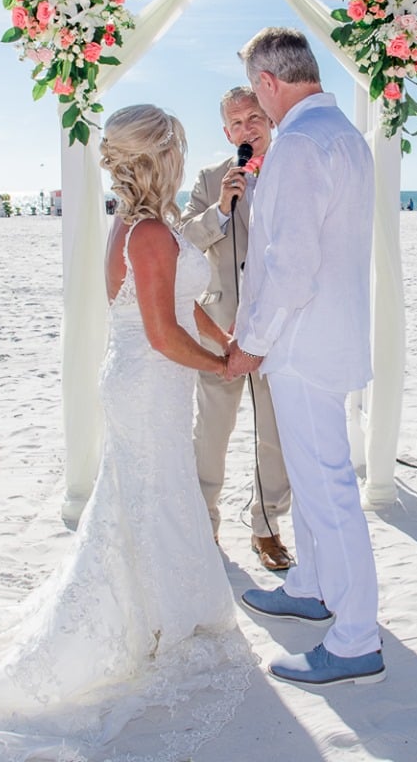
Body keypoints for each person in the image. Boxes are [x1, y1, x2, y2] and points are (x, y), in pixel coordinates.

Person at [0, 104, 252, 761]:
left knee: (151, 500)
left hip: (150, 383)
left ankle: (164, 610)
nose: (183, 156)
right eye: (177, 147)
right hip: (147, 384)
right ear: (161, 158)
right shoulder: (145, 231)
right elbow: (162, 332)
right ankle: (153, 620)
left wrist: (226, 342)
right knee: (149, 501)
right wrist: (223, 367)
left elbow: (191, 307)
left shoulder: (152, 223)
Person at [227, 27, 385, 687]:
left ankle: (354, 639)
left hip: (300, 344)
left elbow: (289, 266)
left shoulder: (295, 143)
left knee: (326, 494)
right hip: (330, 336)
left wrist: (248, 344)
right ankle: (312, 587)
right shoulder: (345, 134)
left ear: (268, 82)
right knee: (318, 481)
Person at [181, 86, 292, 570]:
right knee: (212, 431)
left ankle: (266, 526)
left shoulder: (293, 170)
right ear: (227, 133)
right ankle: (203, 523)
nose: (248, 129)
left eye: (255, 118)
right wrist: (220, 209)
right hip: (220, 327)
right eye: (237, 124)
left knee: (275, 434)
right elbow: (183, 243)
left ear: (268, 119)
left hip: (278, 328)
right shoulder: (209, 179)